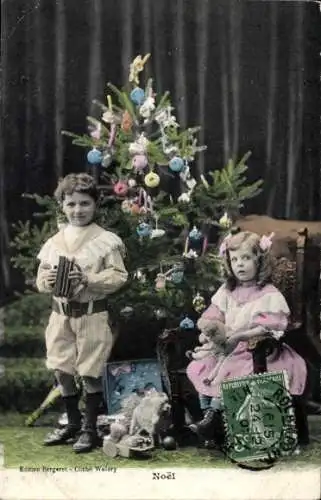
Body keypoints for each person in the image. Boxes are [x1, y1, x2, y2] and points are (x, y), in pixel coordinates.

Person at [36, 173, 128, 453]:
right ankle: (72, 423)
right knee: (61, 368)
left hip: (91, 314)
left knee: (90, 371)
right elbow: (40, 279)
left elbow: (118, 276)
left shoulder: (105, 240)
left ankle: (89, 429)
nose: (78, 210)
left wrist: (89, 280)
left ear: (95, 204)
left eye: (85, 203)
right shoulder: (55, 241)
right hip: (60, 315)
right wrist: (47, 282)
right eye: (71, 204)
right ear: (62, 206)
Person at [186, 230, 307, 439]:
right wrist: (210, 330)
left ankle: (215, 416)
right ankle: (211, 419)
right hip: (227, 348)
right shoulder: (227, 291)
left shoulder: (268, 294)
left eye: (246, 258)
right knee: (203, 367)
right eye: (234, 260)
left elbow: (268, 327)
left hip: (257, 349)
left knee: (233, 371)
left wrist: (241, 336)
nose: (240, 264)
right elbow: (214, 316)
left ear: (259, 261)